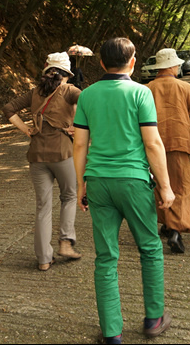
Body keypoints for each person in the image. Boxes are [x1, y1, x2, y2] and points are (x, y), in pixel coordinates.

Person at [73, 38, 174, 344]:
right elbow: (152, 143)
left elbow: (79, 144)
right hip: (133, 181)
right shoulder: (140, 93)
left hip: (99, 182)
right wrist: (166, 186)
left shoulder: (87, 95)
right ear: (133, 63)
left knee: (105, 257)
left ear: (101, 63)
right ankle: (153, 318)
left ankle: (111, 333)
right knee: (150, 248)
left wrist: (81, 185)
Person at [3, 52, 83, 271]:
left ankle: (43, 259)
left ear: (47, 71)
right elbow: (91, 103)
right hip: (62, 153)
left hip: (37, 155)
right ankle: (65, 243)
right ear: (67, 73)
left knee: (43, 207)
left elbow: (8, 109)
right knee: (69, 196)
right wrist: (79, 127)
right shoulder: (70, 90)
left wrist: (26, 130)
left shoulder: (34, 92)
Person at [145, 48, 190, 254]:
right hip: (179, 140)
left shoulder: (146, 88)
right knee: (180, 185)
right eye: (177, 64)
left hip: (151, 142)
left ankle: (166, 222)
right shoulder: (185, 87)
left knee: (159, 183)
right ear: (171, 66)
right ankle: (176, 231)